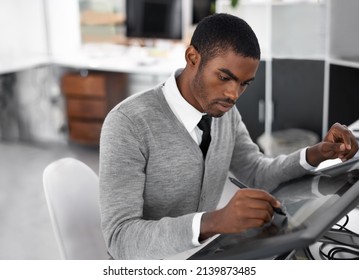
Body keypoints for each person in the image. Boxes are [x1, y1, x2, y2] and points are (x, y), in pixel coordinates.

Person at [99, 13, 358, 260]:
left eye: (245, 84)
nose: (233, 94)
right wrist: (215, 221)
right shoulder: (128, 123)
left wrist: (316, 154)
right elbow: (120, 240)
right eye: (224, 77)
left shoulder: (225, 114)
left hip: (202, 254)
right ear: (192, 57)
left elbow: (257, 173)